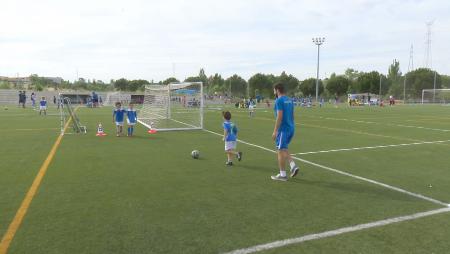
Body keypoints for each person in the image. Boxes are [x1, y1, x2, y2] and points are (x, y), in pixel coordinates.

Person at [271, 82, 299, 181]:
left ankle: (282, 175)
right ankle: (293, 166)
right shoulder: (289, 99)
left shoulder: (279, 100)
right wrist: (291, 125)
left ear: (277, 90)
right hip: (291, 128)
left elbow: (279, 116)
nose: (273, 91)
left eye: (274, 90)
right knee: (284, 149)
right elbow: (292, 114)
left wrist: (275, 131)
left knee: (280, 151)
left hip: (283, 130)